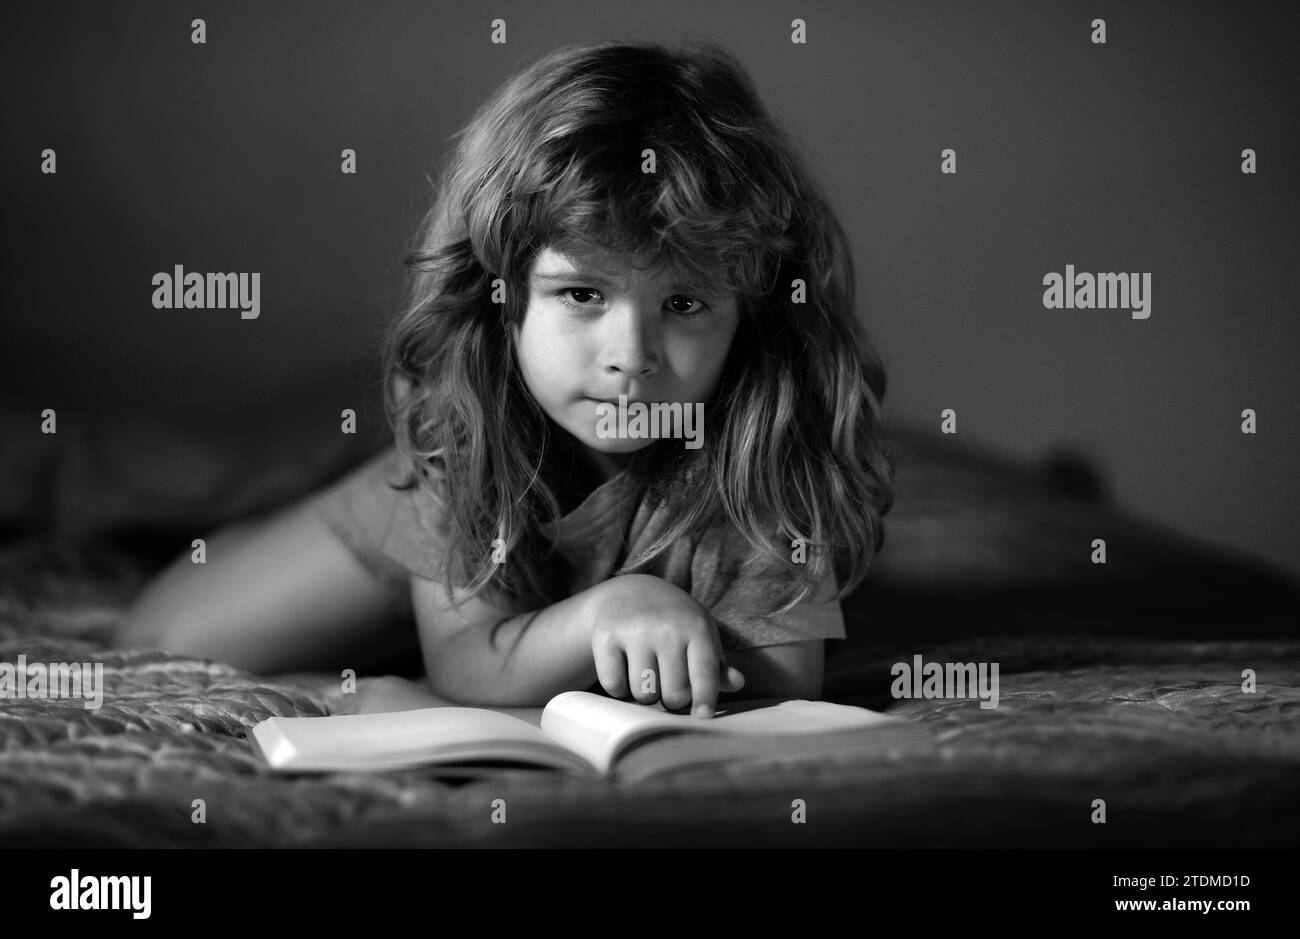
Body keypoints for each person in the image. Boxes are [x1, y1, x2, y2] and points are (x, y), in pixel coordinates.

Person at [116, 39, 898, 719]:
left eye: (685, 303)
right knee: (168, 637)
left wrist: (649, 635)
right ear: (500, 295)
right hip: (470, 479)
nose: (632, 355)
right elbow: (468, 661)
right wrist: (609, 613)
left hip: (563, 542)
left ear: (751, 316)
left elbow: (782, 692)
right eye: (582, 294)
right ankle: (324, 540)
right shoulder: (459, 425)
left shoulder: (771, 443)